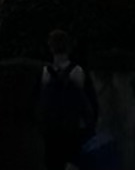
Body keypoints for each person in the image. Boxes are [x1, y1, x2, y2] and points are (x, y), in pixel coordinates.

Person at [36, 34, 99, 170]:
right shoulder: (77, 71)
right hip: (72, 128)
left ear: (51, 48)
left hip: (51, 131)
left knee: (52, 164)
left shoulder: (46, 72)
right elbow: (87, 102)